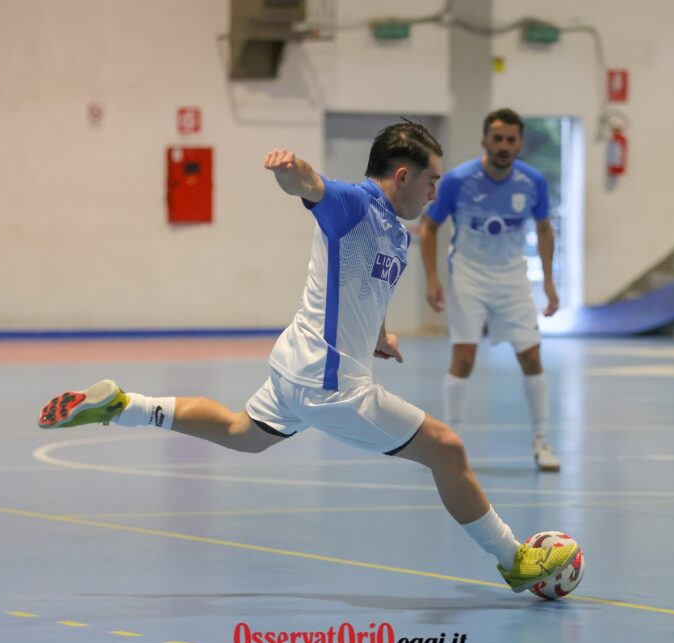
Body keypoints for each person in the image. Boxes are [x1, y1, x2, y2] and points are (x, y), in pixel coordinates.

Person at [36, 122, 578, 593]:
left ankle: (123, 405)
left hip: (297, 366)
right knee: (446, 449)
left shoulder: (399, 232)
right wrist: (288, 169)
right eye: (433, 179)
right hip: (329, 383)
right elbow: (312, 185)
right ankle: (515, 559)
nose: (438, 191)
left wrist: (380, 334)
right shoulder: (356, 205)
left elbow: (368, 288)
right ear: (404, 175)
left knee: (240, 434)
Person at [418, 108, 561, 472]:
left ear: (520, 144)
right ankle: (453, 442)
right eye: (497, 138)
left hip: (512, 279)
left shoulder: (533, 182)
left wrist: (548, 282)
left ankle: (541, 441)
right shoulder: (457, 181)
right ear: (485, 140)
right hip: (468, 276)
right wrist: (432, 278)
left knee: (531, 357)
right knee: (463, 358)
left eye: (511, 139)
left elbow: (545, 230)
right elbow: (429, 227)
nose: (503, 145)